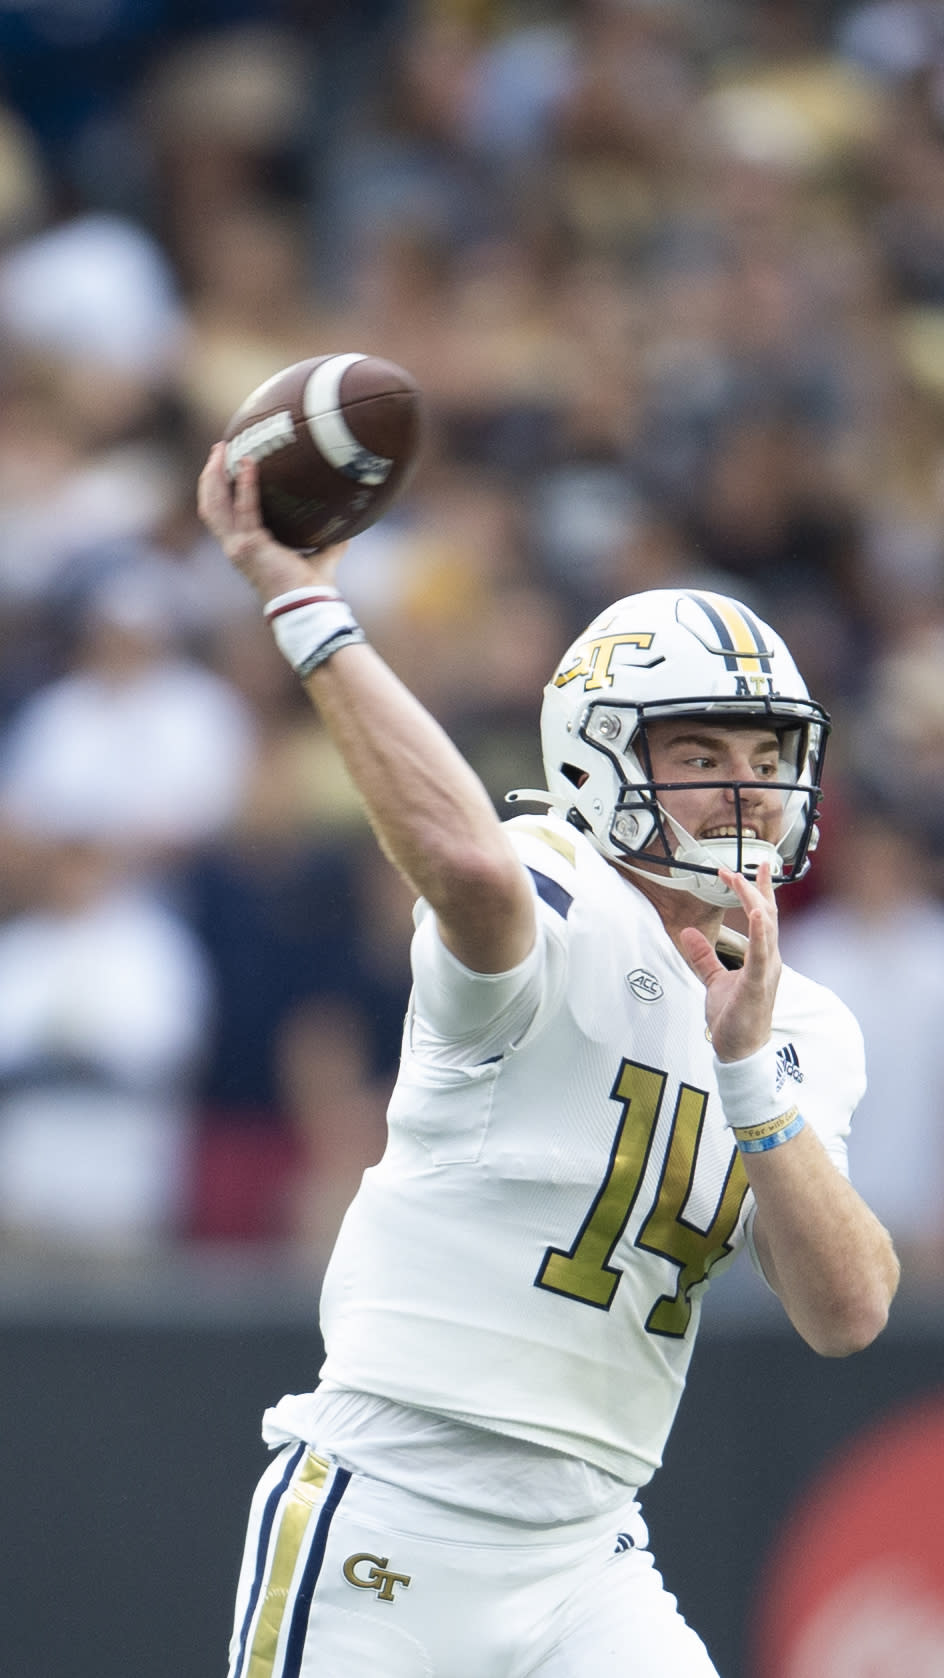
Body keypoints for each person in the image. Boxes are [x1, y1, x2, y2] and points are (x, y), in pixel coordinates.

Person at [198, 445, 899, 1678]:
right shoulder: (554, 889)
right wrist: (306, 601)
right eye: (699, 757)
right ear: (602, 756)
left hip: (586, 1550)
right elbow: (467, 870)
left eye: (764, 756)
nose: (745, 793)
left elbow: (846, 1309)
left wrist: (748, 1077)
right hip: (397, 1501)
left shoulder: (804, 1020)